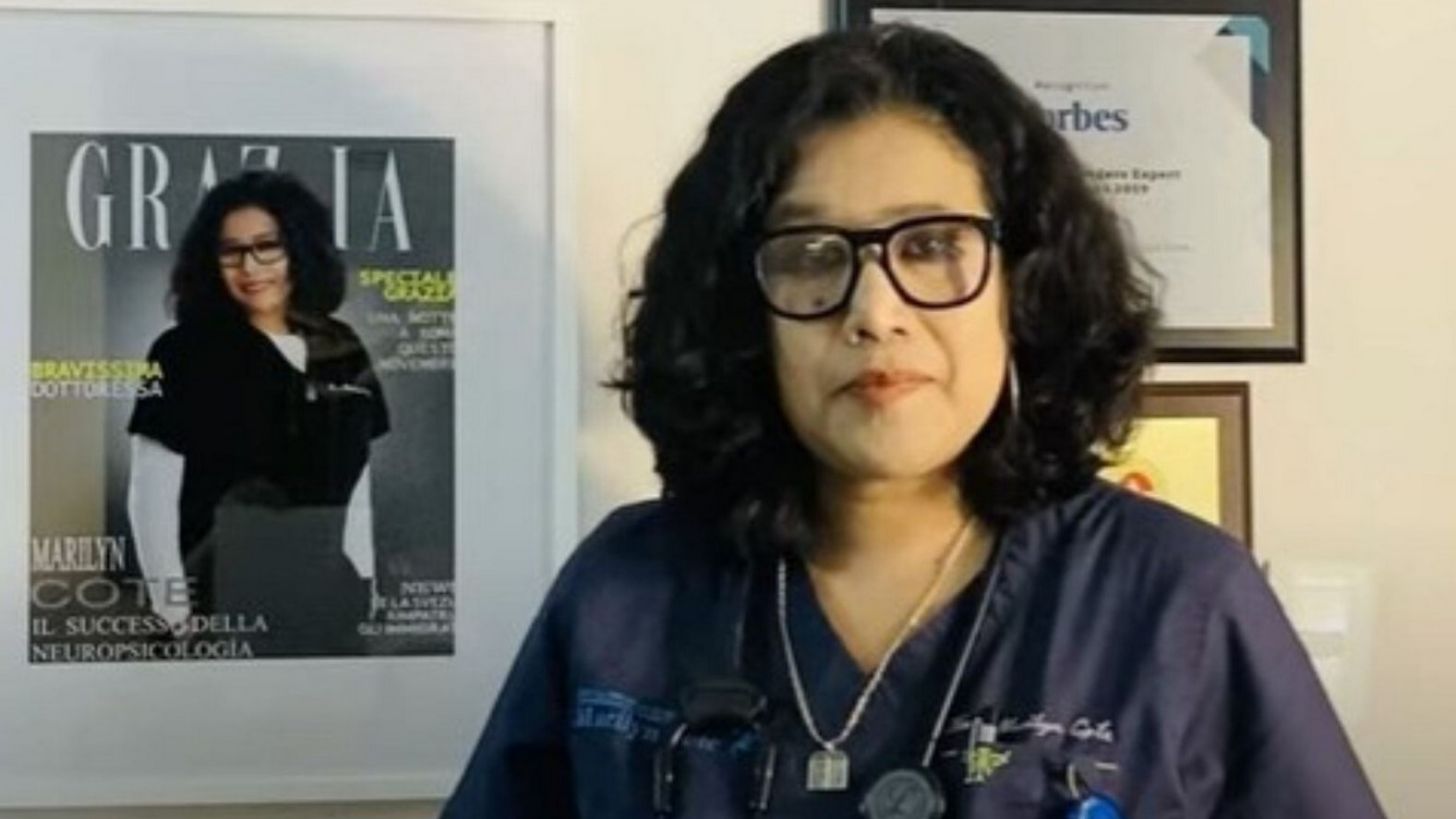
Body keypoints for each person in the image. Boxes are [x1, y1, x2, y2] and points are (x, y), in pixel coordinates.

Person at [444, 25, 1385, 818]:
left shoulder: (1178, 600)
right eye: (812, 253)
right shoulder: (623, 591)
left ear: (1023, 286)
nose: (875, 310)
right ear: (742, 310)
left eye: (932, 245)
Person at [127, 170, 390, 657]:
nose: (250, 266)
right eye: (231, 251)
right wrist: (174, 613)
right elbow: (150, 497)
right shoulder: (182, 351)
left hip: (330, 602)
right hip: (221, 607)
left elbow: (359, 488)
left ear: (300, 250)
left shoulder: (343, 346)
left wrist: (366, 585)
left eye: (267, 247)